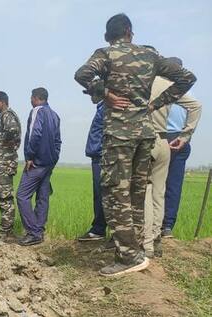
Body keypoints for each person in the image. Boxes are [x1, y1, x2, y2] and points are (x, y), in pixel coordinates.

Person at [74, 13, 196, 276]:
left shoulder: (106, 54)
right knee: (137, 192)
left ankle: (128, 256)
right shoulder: (150, 55)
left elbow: (82, 74)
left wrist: (105, 94)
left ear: (109, 35)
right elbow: (187, 77)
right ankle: (138, 249)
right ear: (129, 31)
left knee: (115, 194)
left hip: (120, 134)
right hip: (145, 133)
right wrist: (157, 103)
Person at [142, 63, 201, 254]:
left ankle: (147, 242)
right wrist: (186, 135)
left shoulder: (138, 80)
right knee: (161, 191)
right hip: (164, 141)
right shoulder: (168, 85)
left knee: (145, 191)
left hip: (144, 141)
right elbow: (196, 105)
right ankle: (159, 235)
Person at [159, 59, 202, 239]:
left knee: (152, 185)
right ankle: (167, 226)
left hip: (161, 137)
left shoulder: (159, 87)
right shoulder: (187, 90)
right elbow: (195, 109)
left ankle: (153, 226)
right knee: (173, 185)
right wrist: (185, 136)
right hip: (180, 138)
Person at [16, 88, 61, 247]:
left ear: (35, 98)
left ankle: (33, 232)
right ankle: (39, 230)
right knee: (43, 197)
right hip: (48, 163)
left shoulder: (37, 111)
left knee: (22, 195)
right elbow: (58, 141)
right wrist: (54, 159)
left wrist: (29, 156)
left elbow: (35, 134)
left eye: (31, 97)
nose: (30, 100)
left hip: (36, 163)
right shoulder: (55, 115)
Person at [0, 91, 22, 243]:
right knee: (4, 197)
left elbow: (13, 131)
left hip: (5, 163)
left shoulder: (7, 115)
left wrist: (6, 143)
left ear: (2, 102)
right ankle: (5, 230)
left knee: (5, 198)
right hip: (2, 163)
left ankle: (6, 233)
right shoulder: (4, 116)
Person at [78, 101, 108, 241]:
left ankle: (99, 230)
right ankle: (99, 229)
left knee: (105, 194)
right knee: (99, 195)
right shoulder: (102, 106)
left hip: (103, 156)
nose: (90, 97)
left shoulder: (109, 106)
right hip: (98, 155)